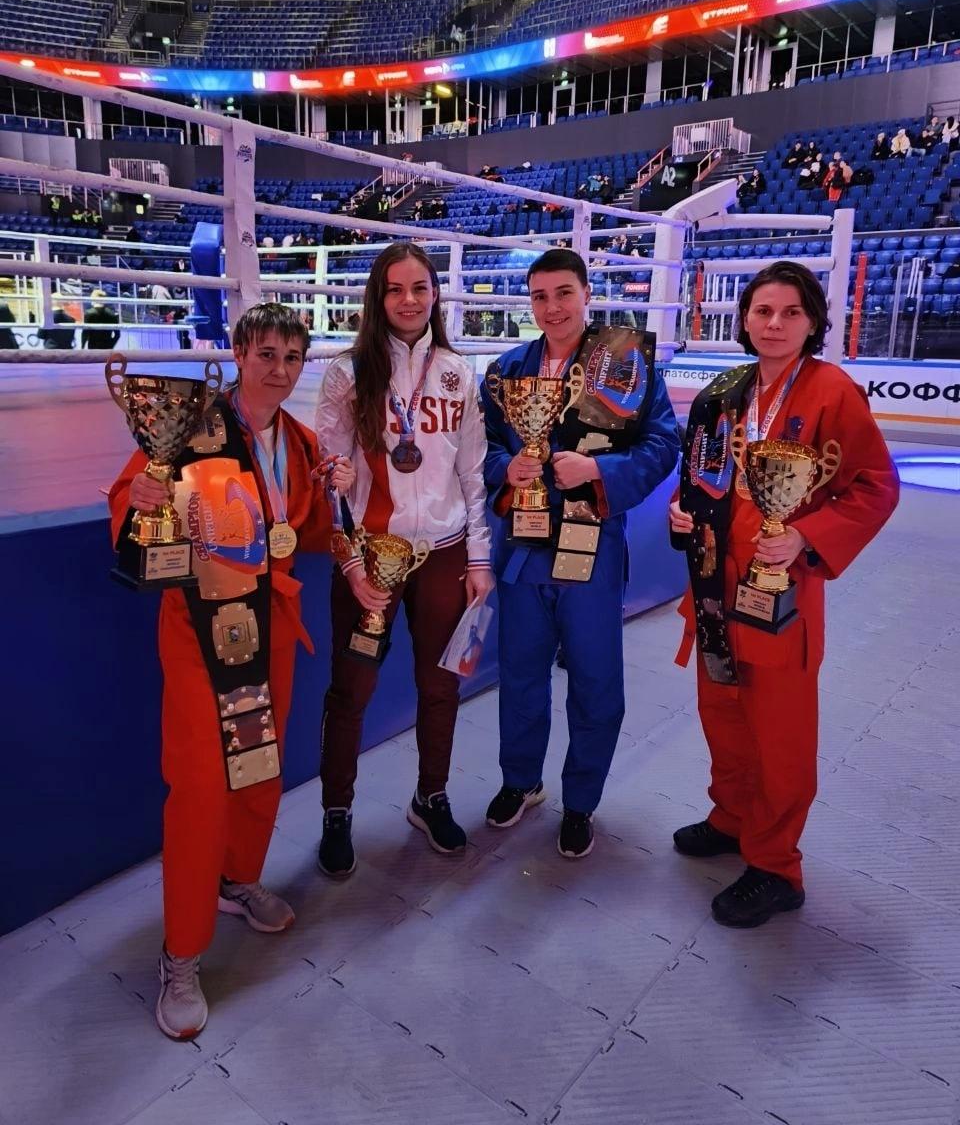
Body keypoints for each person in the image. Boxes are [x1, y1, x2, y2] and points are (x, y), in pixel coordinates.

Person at [108, 302, 354, 1040]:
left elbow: (305, 532)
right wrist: (140, 500)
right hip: (198, 627)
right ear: (239, 354)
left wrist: (337, 491)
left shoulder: (301, 443)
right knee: (201, 787)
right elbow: (129, 501)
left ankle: (237, 880)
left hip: (269, 625)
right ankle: (181, 954)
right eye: (266, 354)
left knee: (259, 770)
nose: (279, 369)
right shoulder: (187, 425)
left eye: (291, 357)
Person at [669, 261, 898, 928]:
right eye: (762, 311)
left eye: (790, 313)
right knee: (722, 710)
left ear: (812, 321)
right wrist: (683, 513)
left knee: (779, 733)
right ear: (744, 319)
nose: (774, 324)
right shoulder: (724, 391)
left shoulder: (832, 392)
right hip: (714, 580)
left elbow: (876, 486)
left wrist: (805, 537)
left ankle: (775, 866)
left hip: (780, 593)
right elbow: (701, 477)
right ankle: (733, 817)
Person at [480, 248, 679, 859]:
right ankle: (521, 781)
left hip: (590, 545)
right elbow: (482, 449)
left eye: (564, 293)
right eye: (539, 296)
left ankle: (581, 802)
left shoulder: (623, 361)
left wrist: (598, 469)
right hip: (523, 547)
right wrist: (505, 468)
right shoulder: (507, 370)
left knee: (594, 679)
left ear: (587, 294)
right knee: (520, 674)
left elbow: (663, 444)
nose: (552, 308)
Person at [314, 242, 493, 876]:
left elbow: (473, 473)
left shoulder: (458, 371)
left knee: (440, 685)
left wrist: (479, 558)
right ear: (377, 296)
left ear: (435, 294)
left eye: (420, 287)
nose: (408, 300)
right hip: (371, 558)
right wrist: (350, 566)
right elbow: (329, 481)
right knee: (352, 688)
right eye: (395, 289)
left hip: (444, 553)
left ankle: (430, 795)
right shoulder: (346, 373)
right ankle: (337, 811)